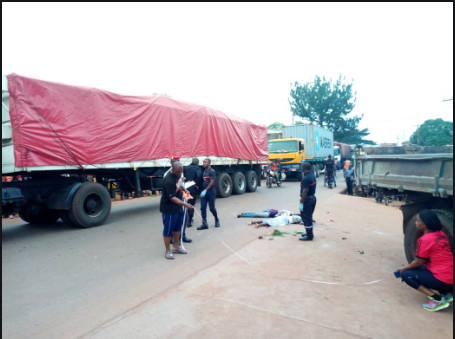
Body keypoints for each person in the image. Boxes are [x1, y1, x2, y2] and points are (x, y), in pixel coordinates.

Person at [396, 210, 453, 311]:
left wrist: (403, 268)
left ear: (425, 224)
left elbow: (418, 262)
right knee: (424, 269)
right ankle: (448, 293)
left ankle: (437, 299)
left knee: (406, 274)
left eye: (418, 221)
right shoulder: (441, 234)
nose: (416, 223)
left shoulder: (425, 239)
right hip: (450, 275)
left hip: (443, 278)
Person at [159, 161, 194, 260]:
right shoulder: (168, 180)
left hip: (178, 207)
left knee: (178, 228)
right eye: (178, 172)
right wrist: (185, 204)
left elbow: (179, 184)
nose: (180, 174)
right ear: (173, 169)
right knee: (168, 230)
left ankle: (176, 246)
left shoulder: (177, 175)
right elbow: (172, 198)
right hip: (169, 208)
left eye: (181, 172)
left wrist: (184, 190)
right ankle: (167, 250)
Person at [197, 158, 221, 230]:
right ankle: (204, 223)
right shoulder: (204, 171)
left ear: (209, 163)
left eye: (205, 162)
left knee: (212, 208)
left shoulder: (212, 171)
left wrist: (205, 190)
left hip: (211, 192)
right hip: (204, 191)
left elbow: (212, 182)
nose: (204, 163)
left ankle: (217, 219)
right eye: (203, 162)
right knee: (203, 208)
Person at [183, 157, 203, 233]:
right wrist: (196, 184)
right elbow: (199, 177)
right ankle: (189, 221)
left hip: (185, 187)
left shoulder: (186, 168)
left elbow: (183, 177)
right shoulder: (197, 169)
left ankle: (186, 218)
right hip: (193, 188)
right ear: (197, 163)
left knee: (186, 202)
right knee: (191, 204)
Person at [299, 162, 317, 241]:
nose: (301, 168)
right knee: (309, 217)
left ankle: (309, 236)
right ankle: (308, 233)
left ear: (304, 168)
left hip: (307, 200)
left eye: (302, 167)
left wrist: (302, 202)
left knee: (306, 218)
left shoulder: (306, 179)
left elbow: (305, 191)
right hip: (312, 198)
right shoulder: (312, 176)